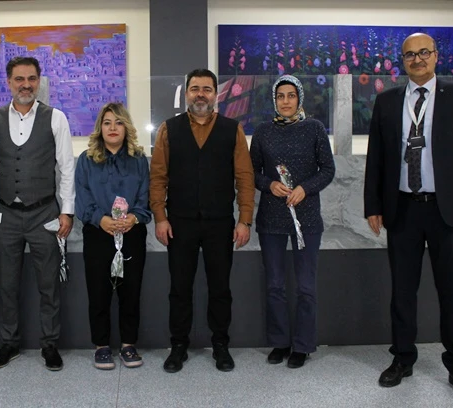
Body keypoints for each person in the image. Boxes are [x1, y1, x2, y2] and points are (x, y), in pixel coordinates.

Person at [364, 33, 453, 402]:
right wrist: (373, 205)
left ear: (436, 56)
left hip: (447, 211)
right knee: (402, 292)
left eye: (423, 53)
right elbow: (377, 159)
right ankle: (402, 358)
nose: (417, 59)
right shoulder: (387, 101)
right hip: (402, 209)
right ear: (402, 61)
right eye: (409, 55)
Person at [150, 68, 255, 373]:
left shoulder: (232, 130)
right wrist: (160, 217)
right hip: (179, 223)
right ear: (186, 94)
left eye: (207, 89)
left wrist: (244, 220)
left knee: (220, 288)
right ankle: (178, 346)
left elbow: (244, 177)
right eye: (195, 89)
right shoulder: (169, 129)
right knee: (179, 288)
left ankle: (220, 345)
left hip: (220, 222)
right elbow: (158, 177)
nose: (200, 94)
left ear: (215, 94)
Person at [0, 56, 75, 371]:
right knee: (7, 284)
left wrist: (67, 212)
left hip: (44, 214)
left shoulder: (55, 118)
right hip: (6, 215)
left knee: (49, 284)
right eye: (20, 79)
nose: (26, 85)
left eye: (32, 79)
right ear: (9, 82)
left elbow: (66, 168)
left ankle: (49, 344)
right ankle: (9, 343)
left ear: (39, 81)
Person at [250, 75, 335, 369]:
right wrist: (269, 184)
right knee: (274, 285)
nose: (285, 101)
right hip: (271, 218)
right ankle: (280, 342)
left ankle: (303, 345)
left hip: (306, 218)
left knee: (306, 286)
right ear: (274, 100)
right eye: (280, 96)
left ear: (299, 98)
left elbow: (327, 170)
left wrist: (305, 189)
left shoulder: (314, 128)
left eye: (291, 95)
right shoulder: (263, 131)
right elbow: (251, 172)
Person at [75, 102, 151, 370]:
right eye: (107, 123)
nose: (113, 128)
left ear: (126, 127)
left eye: (118, 122)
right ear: (100, 128)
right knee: (99, 291)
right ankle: (101, 346)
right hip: (98, 233)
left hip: (132, 233)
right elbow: (82, 198)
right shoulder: (86, 160)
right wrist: (102, 220)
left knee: (131, 291)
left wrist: (134, 218)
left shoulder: (139, 160)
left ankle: (129, 345)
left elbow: (145, 197)